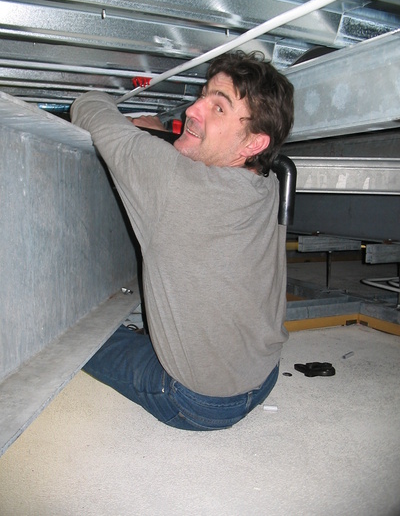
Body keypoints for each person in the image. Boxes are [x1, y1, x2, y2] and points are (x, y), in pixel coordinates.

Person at [70, 51, 294, 431]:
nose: (193, 109)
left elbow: (88, 108)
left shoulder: (173, 182)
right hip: (264, 375)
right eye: (203, 95)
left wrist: (118, 110)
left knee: (74, 336)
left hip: (197, 402)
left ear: (253, 143)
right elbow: (203, 172)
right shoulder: (268, 182)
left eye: (218, 108)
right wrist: (166, 135)